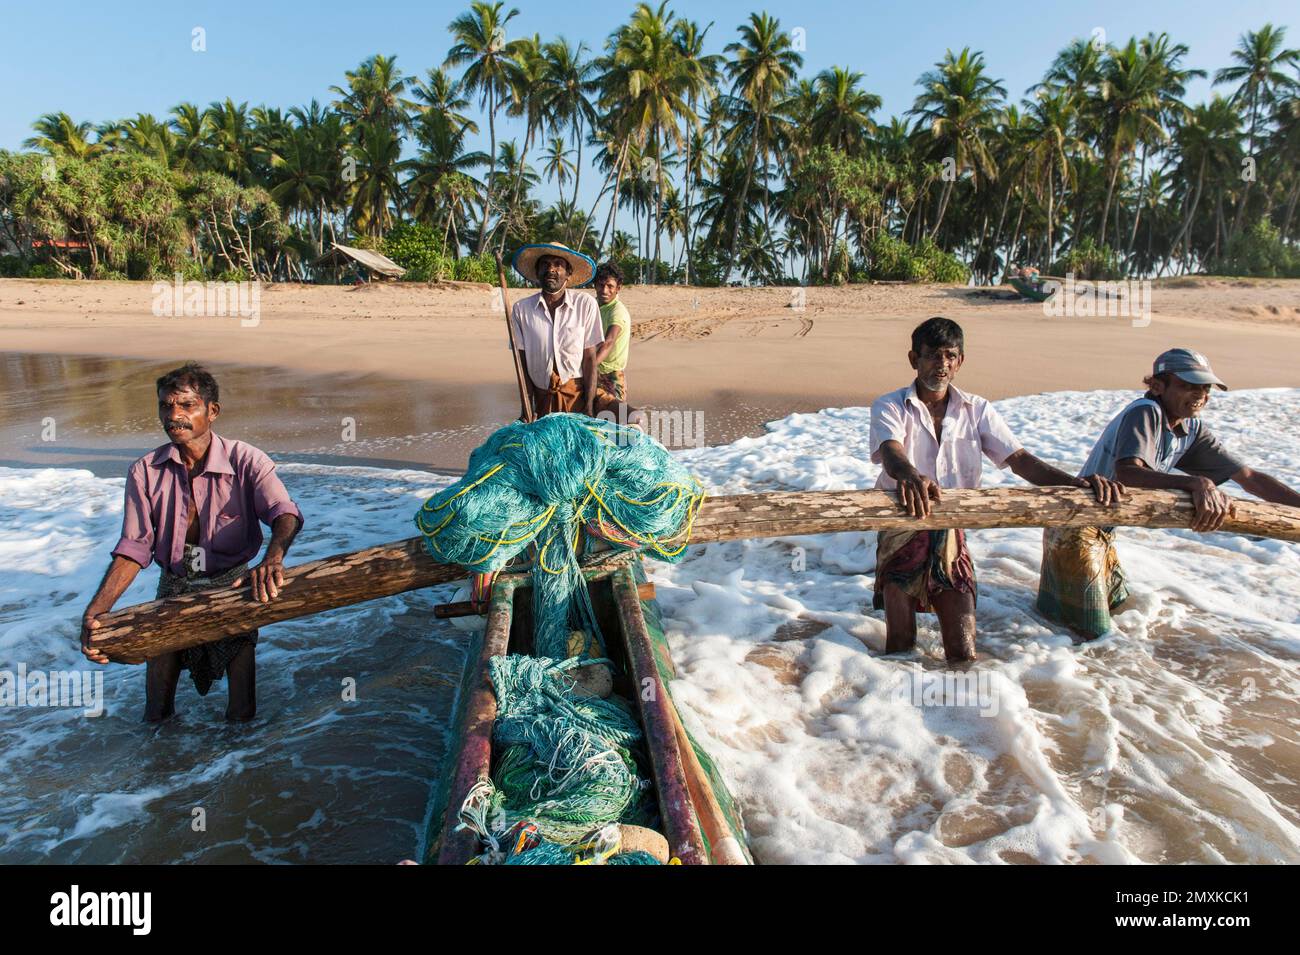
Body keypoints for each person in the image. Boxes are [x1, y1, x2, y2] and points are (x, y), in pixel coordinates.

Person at [869, 317, 1123, 662]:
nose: (941, 365)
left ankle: (960, 709)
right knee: (900, 643)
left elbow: (1019, 460)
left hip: (952, 531)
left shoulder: (978, 409)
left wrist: (1077, 484)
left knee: (962, 650)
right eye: (931, 356)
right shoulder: (890, 404)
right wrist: (910, 475)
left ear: (960, 361)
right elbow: (890, 452)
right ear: (914, 359)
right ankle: (892, 705)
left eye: (949, 356)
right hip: (902, 526)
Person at [79, 363, 303, 722]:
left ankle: (236, 772)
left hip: (234, 587)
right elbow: (135, 548)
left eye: (186, 406)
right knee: (156, 712)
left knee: (242, 713)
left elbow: (284, 514)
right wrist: (97, 611)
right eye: (166, 406)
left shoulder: (246, 460)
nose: (174, 416)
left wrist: (273, 559)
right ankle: (162, 773)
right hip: (173, 589)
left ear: (212, 411)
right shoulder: (145, 470)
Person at [1037, 347, 1300, 640]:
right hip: (1076, 530)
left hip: (1101, 533)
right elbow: (1129, 473)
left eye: (1205, 387)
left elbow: (1249, 478)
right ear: (1158, 386)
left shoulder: (1191, 428)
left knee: (1106, 614)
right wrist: (1195, 483)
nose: (1200, 395)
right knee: (1093, 636)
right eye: (1188, 385)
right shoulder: (1145, 412)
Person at [510, 240, 621, 420]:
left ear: (568, 273)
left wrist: (589, 406)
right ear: (538, 272)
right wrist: (527, 408)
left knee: (632, 417)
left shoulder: (585, 304)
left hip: (577, 395)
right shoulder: (521, 309)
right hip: (542, 398)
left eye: (558, 265)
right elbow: (522, 365)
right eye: (545, 264)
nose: (551, 269)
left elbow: (589, 359)